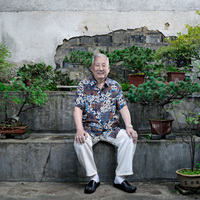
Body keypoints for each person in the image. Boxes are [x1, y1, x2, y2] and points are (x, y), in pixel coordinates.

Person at [74, 53, 138, 194]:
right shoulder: (83, 85)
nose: (100, 68)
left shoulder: (115, 86)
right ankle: (93, 178)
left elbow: (123, 107)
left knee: (130, 138)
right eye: (97, 65)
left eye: (103, 65)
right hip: (91, 129)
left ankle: (120, 178)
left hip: (112, 129)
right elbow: (78, 108)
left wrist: (129, 126)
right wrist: (79, 129)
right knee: (80, 141)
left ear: (108, 68)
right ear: (92, 68)